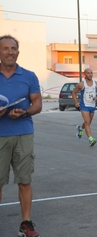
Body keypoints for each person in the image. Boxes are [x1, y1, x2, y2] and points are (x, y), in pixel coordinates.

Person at [0, 35, 42, 237]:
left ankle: (26, 223)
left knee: (24, 180)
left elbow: (38, 104)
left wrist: (24, 112)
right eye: (5, 48)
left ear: (18, 52)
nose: (10, 52)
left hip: (24, 133)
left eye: (13, 48)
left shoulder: (29, 76)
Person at [72, 68, 97, 147]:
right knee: (87, 122)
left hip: (92, 105)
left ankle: (80, 128)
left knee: (88, 122)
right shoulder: (81, 84)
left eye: (91, 73)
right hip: (84, 106)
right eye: (88, 73)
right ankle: (90, 139)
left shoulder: (96, 84)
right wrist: (76, 102)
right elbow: (73, 92)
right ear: (85, 75)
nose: (90, 74)